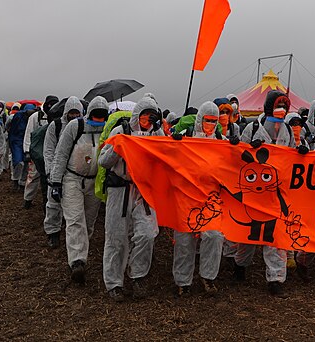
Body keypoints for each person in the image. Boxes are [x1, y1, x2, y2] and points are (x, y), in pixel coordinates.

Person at [98, 94, 163, 302]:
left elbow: (165, 159)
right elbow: (103, 161)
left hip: (144, 191)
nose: (148, 121)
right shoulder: (121, 132)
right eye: (145, 117)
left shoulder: (157, 134)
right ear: (138, 115)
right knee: (116, 236)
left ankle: (138, 275)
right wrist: (118, 147)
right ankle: (114, 283)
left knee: (147, 234)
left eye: (152, 118)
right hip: (120, 189)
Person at [237, 90, 296, 296]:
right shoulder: (253, 128)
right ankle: (240, 265)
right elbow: (238, 156)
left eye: (285, 107)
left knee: (276, 235)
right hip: (254, 190)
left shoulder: (287, 130)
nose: (282, 110)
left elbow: (293, 159)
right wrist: (249, 150)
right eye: (279, 106)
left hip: (276, 193)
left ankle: (276, 280)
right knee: (248, 232)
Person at [50, 95, 109, 284]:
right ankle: (77, 261)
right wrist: (56, 182)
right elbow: (61, 154)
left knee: (89, 221)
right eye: (96, 116)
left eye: (102, 117)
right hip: (72, 179)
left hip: (95, 182)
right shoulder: (75, 127)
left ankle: (80, 248)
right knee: (75, 219)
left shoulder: (108, 130)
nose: (99, 120)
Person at [170, 101, 225, 297]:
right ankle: (183, 281)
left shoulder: (221, 139)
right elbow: (168, 154)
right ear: (200, 119)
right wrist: (174, 142)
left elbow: (233, 160)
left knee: (214, 236)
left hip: (211, 195)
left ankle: (208, 277)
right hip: (186, 195)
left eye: (214, 121)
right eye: (207, 120)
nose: (210, 124)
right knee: (184, 238)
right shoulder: (185, 137)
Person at [43, 97, 82, 248]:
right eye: (71, 113)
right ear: (66, 112)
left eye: (76, 113)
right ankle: (53, 232)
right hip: (57, 170)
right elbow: (49, 149)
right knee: (53, 203)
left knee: (75, 206)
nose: (74, 116)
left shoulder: (82, 126)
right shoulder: (56, 126)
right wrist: (50, 172)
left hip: (75, 172)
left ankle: (73, 235)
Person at [23, 95, 59, 209]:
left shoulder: (57, 117)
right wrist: (27, 151)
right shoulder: (35, 117)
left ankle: (48, 200)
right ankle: (28, 199)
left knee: (51, 177)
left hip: (52, 152)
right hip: (36, 152)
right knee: (33, 176)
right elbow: (29, 133)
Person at [7, 103, 34, 191]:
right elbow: (11, 128)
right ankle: (15, 179)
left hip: (29, 141)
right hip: (17, 141)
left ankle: (22, 183)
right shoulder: (18, 117)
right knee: (18, 162)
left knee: (26, 163)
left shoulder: (34, 119)